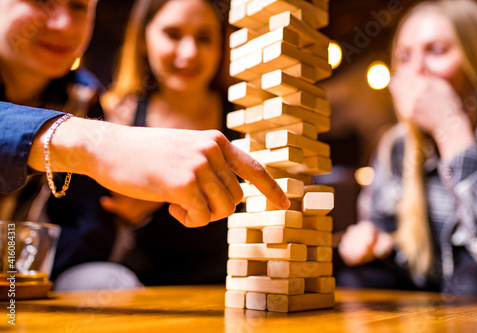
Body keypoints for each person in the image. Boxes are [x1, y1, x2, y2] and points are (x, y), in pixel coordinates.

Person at [0, 0, 289, 286]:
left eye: (78, 6)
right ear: (143, 39)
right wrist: (103, 144)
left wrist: (118, 220)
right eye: (41, 1)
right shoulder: (110, 113)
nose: (62, 23)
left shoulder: (83, 98)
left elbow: (76, 244)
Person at [54, 0, 240, 288]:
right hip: (141, 290)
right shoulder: (115, 114)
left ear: (221, 45)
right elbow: (82, 232)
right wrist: (123, 219)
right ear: (143, 40)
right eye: (173, 34)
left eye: (204, 37)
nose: (189, 53)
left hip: (236, 287)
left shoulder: (248, 118)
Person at [337, 0, 477, 297]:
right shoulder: (396, 148)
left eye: (436, 50)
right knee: (356, 279)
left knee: (473, 282)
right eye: (404, 57)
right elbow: (389, 237)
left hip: (476, 289)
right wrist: (374, 241)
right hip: (426, 293)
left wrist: (451, 129)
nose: (416, 70)